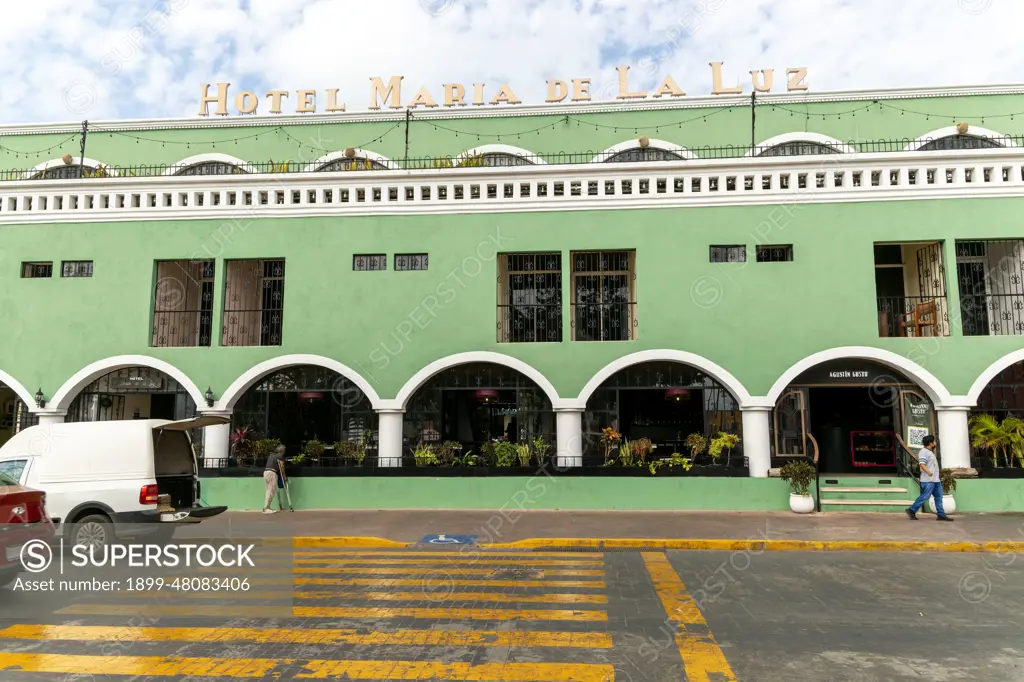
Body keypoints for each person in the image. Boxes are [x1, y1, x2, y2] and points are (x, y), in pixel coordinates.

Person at [906, 435, 953, 521]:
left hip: (936, 480)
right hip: (928, 480)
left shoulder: (930, 452)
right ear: (930, 443)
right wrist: (928, 472)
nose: (935, 443)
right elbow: (922, 464)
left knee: (939, 496)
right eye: (934, 441)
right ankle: (912, 510)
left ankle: (941, 514)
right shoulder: (923, 452)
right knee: (925, 496)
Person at [262, 444, 286, 514]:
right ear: (282, 451)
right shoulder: (280, 456)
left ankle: (268, 507)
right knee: (271, 491)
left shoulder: (271, 455)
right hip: (272, 473)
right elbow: (282, 467)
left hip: (266, 472)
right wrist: (284, 476)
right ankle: (266, 508)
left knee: (268, 490)